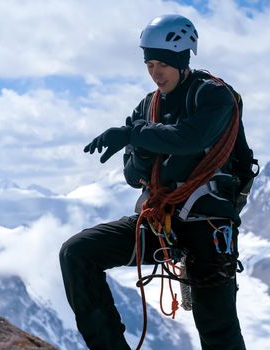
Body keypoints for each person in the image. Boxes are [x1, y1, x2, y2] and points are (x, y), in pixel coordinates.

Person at [60, 14, 252, 350]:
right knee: (77, 253)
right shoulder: (147, 107)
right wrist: (143, 150)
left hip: (208, 226)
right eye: (150, 63)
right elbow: (133, 176)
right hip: (161, 224)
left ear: (183, 60)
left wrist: (136, 136)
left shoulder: (214, 97)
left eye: (163, 63)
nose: (155, 72)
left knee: (217, 329)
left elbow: (191, 137)